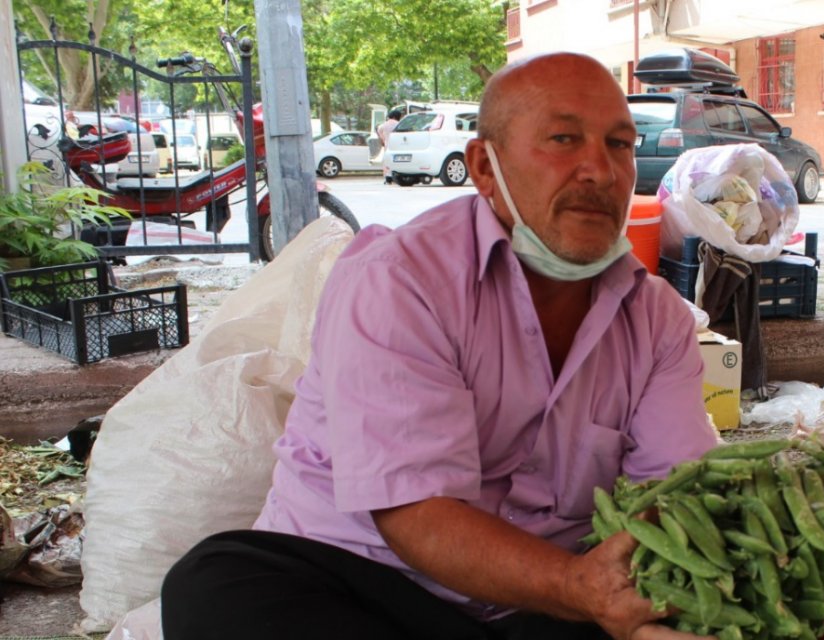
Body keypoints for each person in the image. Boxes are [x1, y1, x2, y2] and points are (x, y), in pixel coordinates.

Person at [161, 52, 718, 640]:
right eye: (563, 139)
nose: (600, 171)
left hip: (546, 609)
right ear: (483, 166)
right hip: (373, 586)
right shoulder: (401, 280)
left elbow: (671, 495)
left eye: (620, 145)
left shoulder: (658, 321)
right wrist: (582, 589)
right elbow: (414, 512)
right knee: (215, 585)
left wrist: (651, 587)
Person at [377, 107, 403, 184]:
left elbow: (381, 136)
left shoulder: (382, 126)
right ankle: (397, 176)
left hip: (387, 146)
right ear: (396, 116)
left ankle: (388, 177)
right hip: (398, 146)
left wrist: (384, 141)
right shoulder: (399, 124)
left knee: (387, 162)